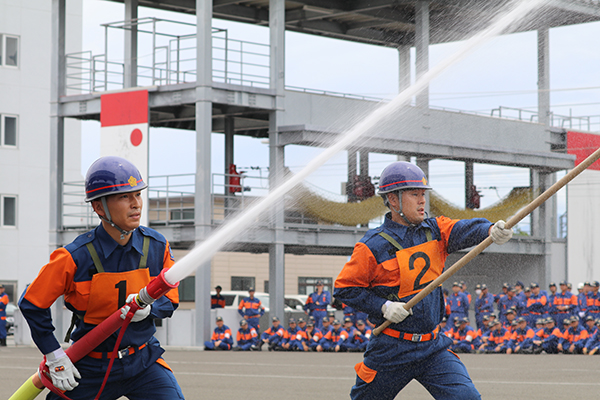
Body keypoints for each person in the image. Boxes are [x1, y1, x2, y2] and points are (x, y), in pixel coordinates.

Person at [333, 161, 513, 400]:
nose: (422, 201)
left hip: (432, 347)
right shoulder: (371, 246)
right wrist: (383, 307)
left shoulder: (436, 230)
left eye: (423, 194)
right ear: (393, 200)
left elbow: (465, 229)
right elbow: (344, 289)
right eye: (414, 194)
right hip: (390, 348)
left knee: (466, 398)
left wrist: (490, 230)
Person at [18, 156, 184, 399]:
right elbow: (31, 303)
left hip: (143, 362)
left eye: (138, 194)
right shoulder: (73, 257)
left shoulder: (158, 246)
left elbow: (171, 296)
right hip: (89, 367)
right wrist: (54, 355)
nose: (136, 204)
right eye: (124, 197)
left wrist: (151, 309)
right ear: (98, 207)